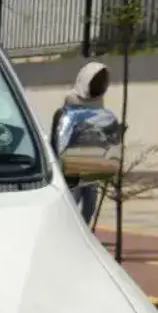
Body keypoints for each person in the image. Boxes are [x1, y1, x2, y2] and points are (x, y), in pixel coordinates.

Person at [51, 61, 111, 225]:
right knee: (72, 203)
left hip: (91, 164)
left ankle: (82, 233)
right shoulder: (64, 113)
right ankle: (65, 231)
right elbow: (56, 141)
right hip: (72, 167)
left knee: (90, 206)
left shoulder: (98, 111)